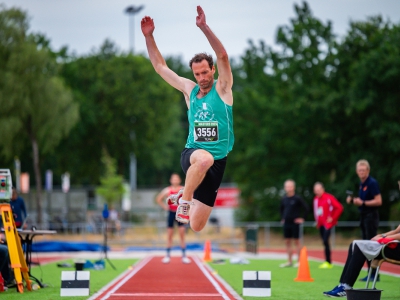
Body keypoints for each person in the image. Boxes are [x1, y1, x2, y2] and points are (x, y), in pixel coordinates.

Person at [141, 6, 234, 232]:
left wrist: (204, 27)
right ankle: (186, 198)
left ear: (212, 70)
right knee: (204, 160)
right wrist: (149, 37)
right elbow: (160, 67)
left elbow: (222, 55)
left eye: (205, 72)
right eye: (197, 74)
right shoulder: (189, 91)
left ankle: (186, 192)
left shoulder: (222, 89)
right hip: (193, 154)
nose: (202, 78)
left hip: (218, 161)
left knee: (196, 226)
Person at [323, 225, 400, 297]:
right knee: (354, 244)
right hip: (394, 244)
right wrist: (381, 235)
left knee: (359, 247)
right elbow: (397, 230)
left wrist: (384, 239)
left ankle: (347, 286)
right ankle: (342, 284)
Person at [346, 159, 382, 281]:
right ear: (357, 171)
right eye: (359, 170)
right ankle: (370, 272)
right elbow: (361, 202)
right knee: (366, 244)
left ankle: (374, 274)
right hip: (364, 216)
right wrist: (353, 201)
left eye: (363, 170)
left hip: (371, 216)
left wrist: (363, 203)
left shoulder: (372, 183)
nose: (361, 172)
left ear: (368, 170)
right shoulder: (362, 184)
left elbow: (378, 200)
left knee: (371, 245)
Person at [156, 173, 190, 264]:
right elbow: (158, 199)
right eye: (173, 179)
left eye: (176, 179)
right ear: (171, 181)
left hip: (180, 213)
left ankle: (184, 256)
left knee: (182, 234)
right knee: (169, 235)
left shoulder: (183, 189)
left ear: (179, 180)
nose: (175, 180)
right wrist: (165, 207)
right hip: (171, 213)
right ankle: (167, 255)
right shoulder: (167, 190)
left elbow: (189, 198)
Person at [313, 182, 343, 269]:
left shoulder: (329, 198)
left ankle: (328, 261)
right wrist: (317, 222)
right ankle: (327, 261)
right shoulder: (315, 199)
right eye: (315, 190)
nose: (317, 192)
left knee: (325, 240)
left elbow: (339, 208)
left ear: (323, 189)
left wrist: (333, 218)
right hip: (321, 224)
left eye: (318, 190)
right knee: (324, 242)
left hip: (328, 224)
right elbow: (316, 211)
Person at [280, 179, 309, 267]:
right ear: (285, 188)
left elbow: (307, 208)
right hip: (286, 223)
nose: (288, 188)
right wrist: (283, 218)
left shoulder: (297, 198)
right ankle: (289, 261)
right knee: (287, 241)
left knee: (297, 241)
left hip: (295, 223)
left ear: (293, 187)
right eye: (287, 186)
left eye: (290, 186)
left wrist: (302, 218)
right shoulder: (284, 199)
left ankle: (299, 261)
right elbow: (281, 209)